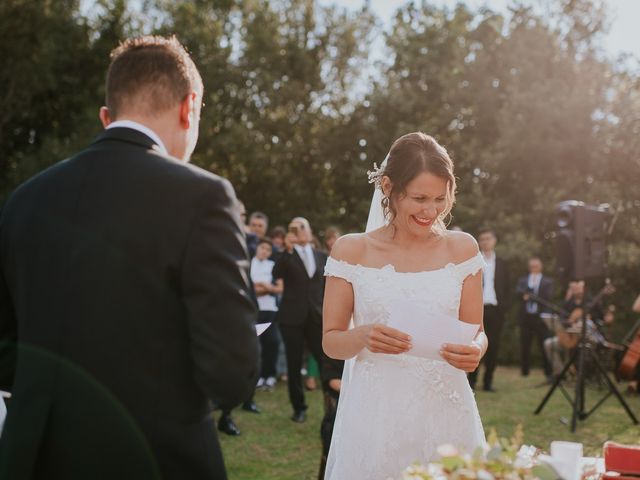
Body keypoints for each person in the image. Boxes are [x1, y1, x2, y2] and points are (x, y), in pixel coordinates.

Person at [0, 35, 260, 480]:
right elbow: (231, 373)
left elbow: (6, 353)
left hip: (34, 459)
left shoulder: (24, 200)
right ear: (189, 107)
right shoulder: (203, 197)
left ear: (107, 117)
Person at [322, 132, 487, 480]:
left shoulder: (463, 250)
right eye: (419, 198)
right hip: (376, 415)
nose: (431, 211)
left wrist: (476, 348)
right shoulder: (351, 252)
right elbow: (331, 340)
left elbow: (478, 331)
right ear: (388, 188)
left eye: (440, 198)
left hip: (446, 409)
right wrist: (362, 336)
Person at [273, 217, 328, 423]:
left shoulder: (322, 256)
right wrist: (287, 250)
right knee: (294, 364)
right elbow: (275, 273)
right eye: (295, 228)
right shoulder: (286, 255)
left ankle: (331, 402)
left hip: (316, 316)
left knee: (325, 361)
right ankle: (299, 408)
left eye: (303, 227)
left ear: (310, 231)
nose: (300, 231)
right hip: (291, 318)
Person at [467, 227, 509, 392]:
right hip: (478, 309)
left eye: (488, 238)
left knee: (494, 346)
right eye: (482, 239)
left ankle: (488, 382)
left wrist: (504, 307)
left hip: (496, 310)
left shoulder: (503, 264)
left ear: (494, 241)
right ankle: (471, 383)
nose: (485, 242)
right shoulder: (474, 260)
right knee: (474, 344)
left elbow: (507, 287)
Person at [251, 238, 283, 391]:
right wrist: (267, 287)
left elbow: (279, 288)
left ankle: (269, 375)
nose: (264, 251)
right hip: (253, 309)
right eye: (262, 247)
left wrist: (262, 287)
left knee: (272, 343)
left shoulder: (273, 266)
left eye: (268, 249)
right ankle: (256, 376)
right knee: (256, 344)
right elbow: (249, 288)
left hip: (270, 310)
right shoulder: (248, 264)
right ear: (257, 248)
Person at [516, 256, 554, 382]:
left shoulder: (547, 282)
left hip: (540, 318)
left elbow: (547, 297)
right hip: (527, 317)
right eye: (531, 266)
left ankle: (548, 372)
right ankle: (524, 371)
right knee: (525, 345)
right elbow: (518, 293)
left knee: (544, 345)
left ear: (540, 267)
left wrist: (531, 295)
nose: (533, 268)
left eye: (536, 266)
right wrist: (525, 295)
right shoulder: (523, 280)